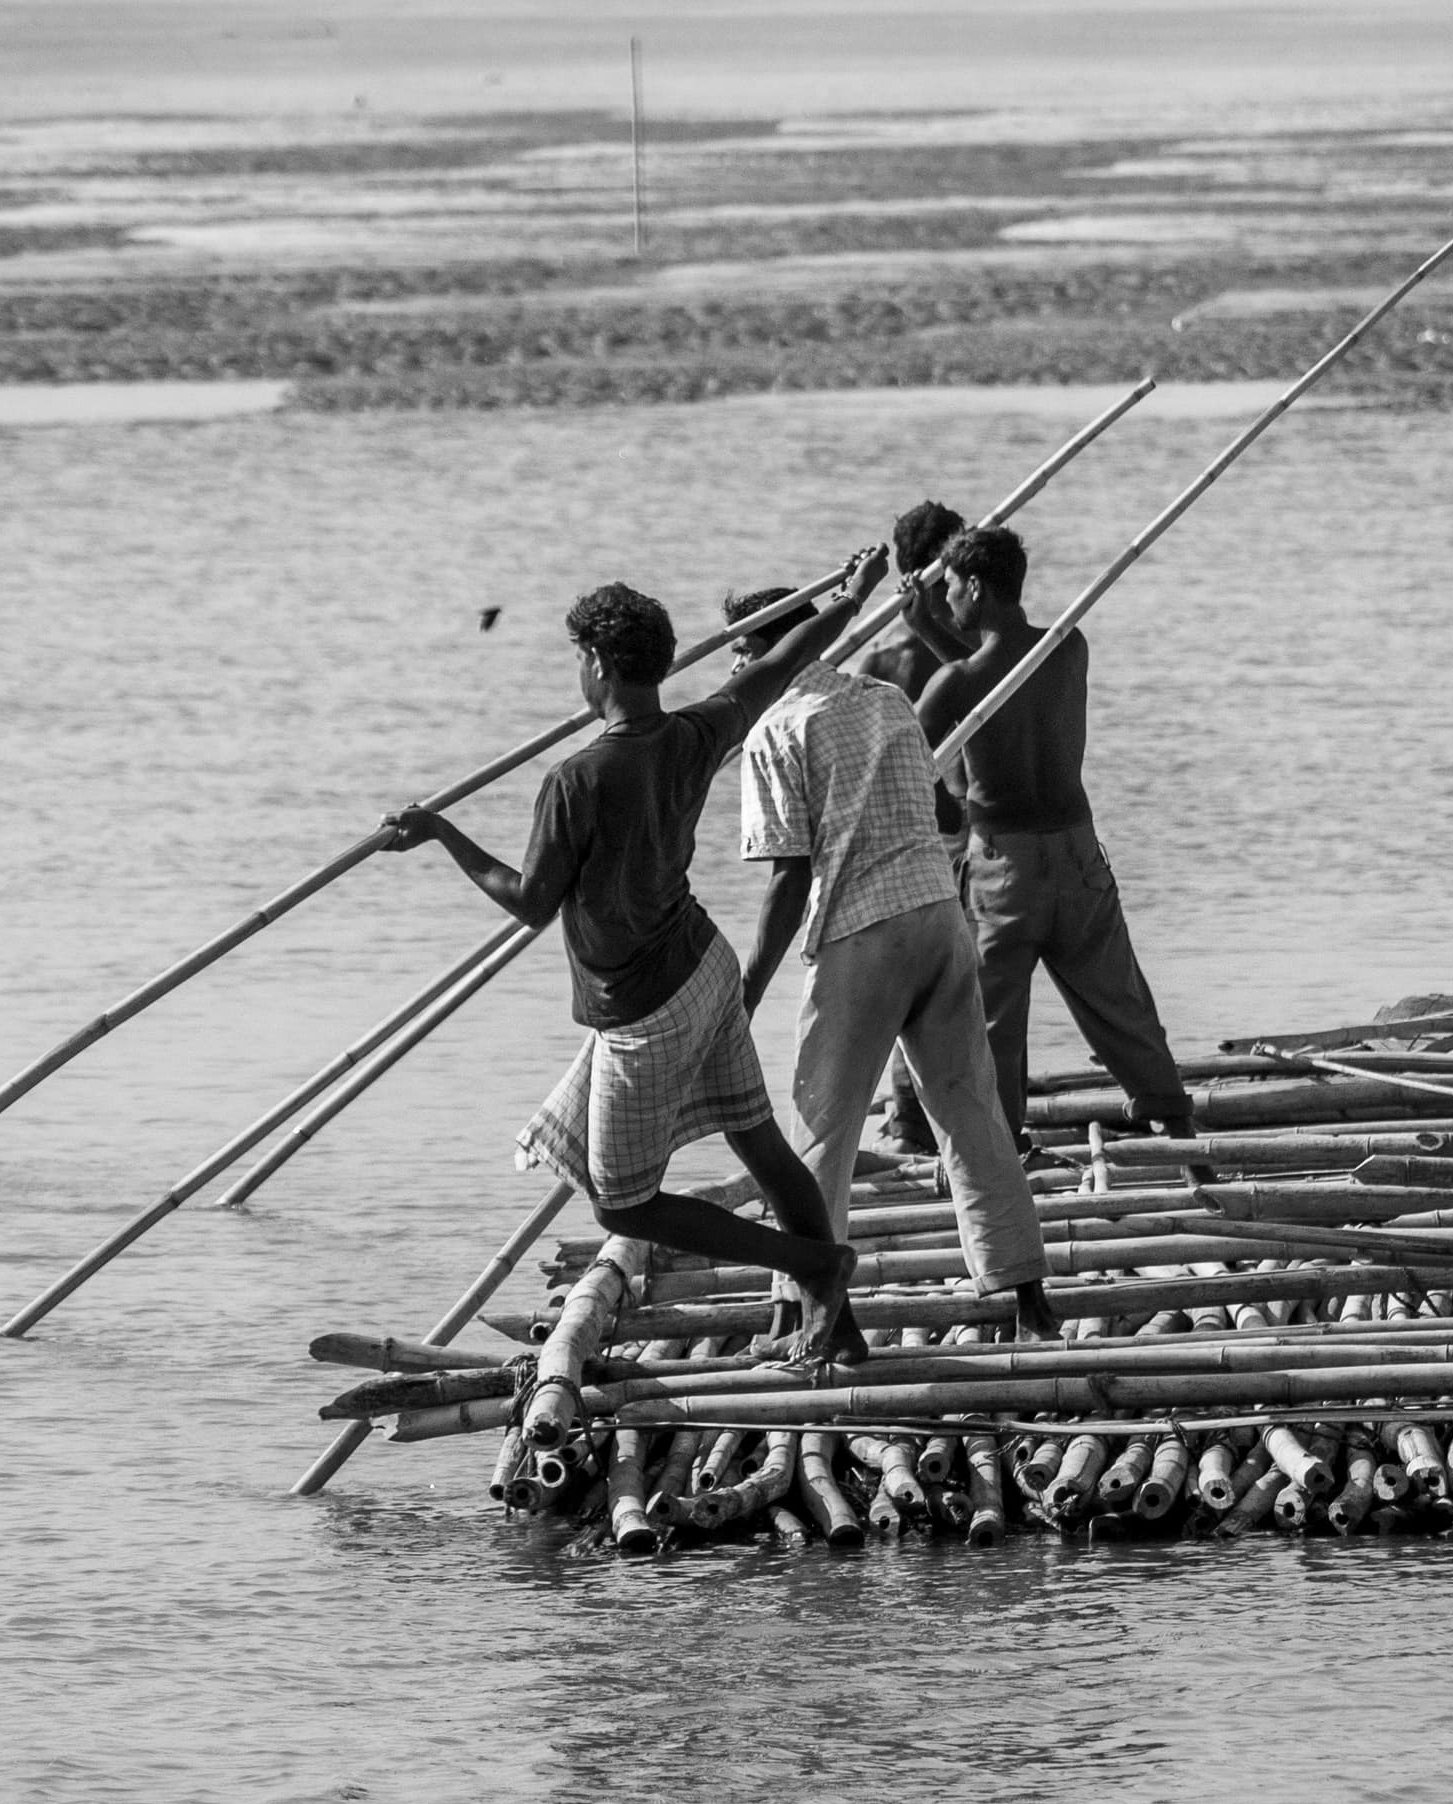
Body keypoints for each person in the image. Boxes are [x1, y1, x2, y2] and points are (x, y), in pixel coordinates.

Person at [381, 552, 886, 1366]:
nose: (578, 672)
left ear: (600, 664)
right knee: (760, 1145)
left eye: (579, 658)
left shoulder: (576, 779)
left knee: (624, 1208)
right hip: (705, 969)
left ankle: (814, 1265)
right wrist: (854, 596)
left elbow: (529, 904)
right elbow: (791, 657)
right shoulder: (698, 730)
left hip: (646, 1008)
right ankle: (846, 1331)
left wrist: (440, 832)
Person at [725, 583, 1062, 1342]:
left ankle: (802, 1308)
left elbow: (788, 875)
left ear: (768, 652)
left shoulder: (774, 726)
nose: (738, 668)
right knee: (972, 1109)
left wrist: (745, 991)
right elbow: (945, 811)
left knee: (823, 1123)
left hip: (861, 933)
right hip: (939, 920)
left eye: (743, 652)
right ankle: (1031, 1305)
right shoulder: (884, 698)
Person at [903, 523, 1199, 1146]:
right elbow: (1004, 671)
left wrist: (949, 814)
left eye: (952, 587)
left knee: (993, 1022)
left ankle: (1005, 1151)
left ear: (975, 587)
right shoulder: (1070, 647)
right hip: (1077, 853)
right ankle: (1181, 1135)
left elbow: (909, 761)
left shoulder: (955, 683)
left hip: (1004, 868)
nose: (949, 598)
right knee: (1120, 1001)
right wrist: (930, 624)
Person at [850, 497, 970, 1157]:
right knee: (949, 988)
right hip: (948, 840)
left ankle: (917, 1114)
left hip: (918, 843)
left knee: (922, 986)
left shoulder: (880, 656)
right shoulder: (951, 648)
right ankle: (923, 1116)